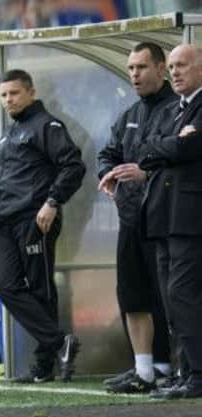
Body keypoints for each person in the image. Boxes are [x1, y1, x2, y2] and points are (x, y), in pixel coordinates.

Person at [0, 69, 85, 383]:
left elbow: (73, 165)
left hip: (32, 219)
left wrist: (52, 202)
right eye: (4, 94)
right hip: (1, 222)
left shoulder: (46, 125)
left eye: (15, 93)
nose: (8, 99)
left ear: (31, 93)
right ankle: (58, 341)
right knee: (6, 288)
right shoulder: (5, 132)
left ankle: (42, 366)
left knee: (40, 290)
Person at [97, 42, 174, 393]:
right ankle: (144, 370)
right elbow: (108, 152)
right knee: (132, 294)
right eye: (131, 69)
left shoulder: (179, 110)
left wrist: (147, 172)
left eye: (142, 67)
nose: (135, 75)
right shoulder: (128, 115)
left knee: (170, 296)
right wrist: (107, 174)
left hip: (167, 220)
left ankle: (172, 366)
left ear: (162, 69)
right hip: (130, 218)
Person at [138, 44, 202, 399]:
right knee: (169, 297)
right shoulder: (170, 111)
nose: (175, 72)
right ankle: (186, 370)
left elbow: (184, 150)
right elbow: (145, 149)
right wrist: (170, 143)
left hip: (190, 219)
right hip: (163, 216)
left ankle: (199, 373)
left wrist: (168, 146)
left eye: (183, 65)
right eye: (172, 66)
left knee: (183, 294)